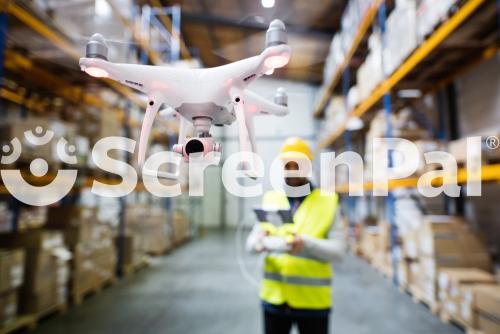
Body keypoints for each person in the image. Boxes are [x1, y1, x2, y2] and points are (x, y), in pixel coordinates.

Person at [246, 137, 345, 334]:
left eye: (298, 164)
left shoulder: (328, 201)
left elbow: (339, 252)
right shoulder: (271, 199)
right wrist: (258, 242)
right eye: (287, 165)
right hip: (274, 300)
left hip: (313, 302)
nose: (292, 170)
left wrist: (306, 243)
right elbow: (250, 245)